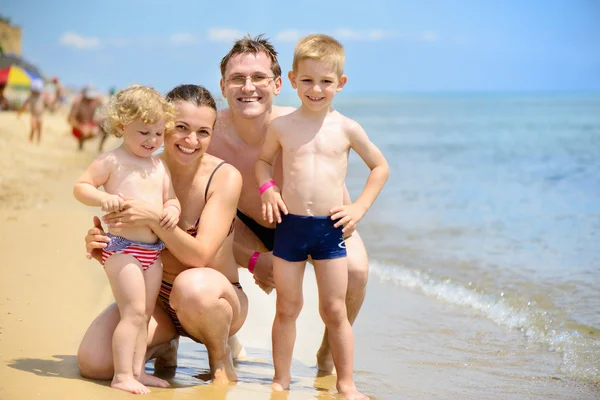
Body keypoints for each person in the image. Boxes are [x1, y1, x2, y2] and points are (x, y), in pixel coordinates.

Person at [208, 34, 372, 374]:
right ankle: (212, 342)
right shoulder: (208, 134)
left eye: (259, 78)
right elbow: (173, 190)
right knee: (194, 246)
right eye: (238, 78)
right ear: (223, 86)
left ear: (280, 83)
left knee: (356, 270)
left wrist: (354, 212)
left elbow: (336, 182)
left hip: (310, 223)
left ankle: (328, 353)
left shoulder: (299, 122)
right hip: (244, 228)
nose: (248, 87)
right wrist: (253, 259)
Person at [79, 84, 248, 386]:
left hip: (211, 297)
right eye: (181, 128)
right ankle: (165, 345)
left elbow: (199, 256)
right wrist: (103, 246)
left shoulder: (223, 177)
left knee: (193, 287)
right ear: (165, 125)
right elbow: (128, 239)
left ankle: (221, 359)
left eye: (203, 132)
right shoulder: (144, 167)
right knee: (95, 363)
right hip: (154, 297)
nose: (191, 140)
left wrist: (155, 218)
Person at [256, 34, 389, 398]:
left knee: (334, 310)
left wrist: (358, 208)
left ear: (340, 84)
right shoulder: (281, 126)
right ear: (294, 79)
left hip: (330, 229)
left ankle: (346, 384)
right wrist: (267, 188)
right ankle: (280, 379)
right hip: (290, 226)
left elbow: (379, 167)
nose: (316, 89)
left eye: (326, 82)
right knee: (287, 306)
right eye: (308, 80)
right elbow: (264, 162)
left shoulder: (347, 128)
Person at [74, 85, 181, 394]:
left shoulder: (159, 166)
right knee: (132, 312)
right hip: (122, 250)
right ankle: (122, 375)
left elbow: (170, 198)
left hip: (153, 251)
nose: (152, 141)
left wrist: (172, 210)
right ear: (122, 126)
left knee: (145, 315)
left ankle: (137, 371)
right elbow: (81, 187)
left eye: (159, 133)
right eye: (144, 132)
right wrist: (100, 198)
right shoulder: (112, 160)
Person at [68, 86, 103, 151]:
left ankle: (100, 148)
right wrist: (81, 127)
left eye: (92, 98)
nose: (90, 101)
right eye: (88, 99)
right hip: (78, 128)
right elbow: (70, 119)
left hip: (90, 126)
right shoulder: (78, 103)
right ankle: (80, 145)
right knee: (87, 131)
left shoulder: (96, 102)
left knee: (105, 126)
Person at [17, 80, 45, 144]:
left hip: (40, 115)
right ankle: (30, 139)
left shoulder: (41, 96)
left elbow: (47, 103)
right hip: (34, 115)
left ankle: (39, 141)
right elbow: (24, 104)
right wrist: (20, 112)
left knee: (40, 128)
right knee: (33, 127)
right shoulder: (31, 96)